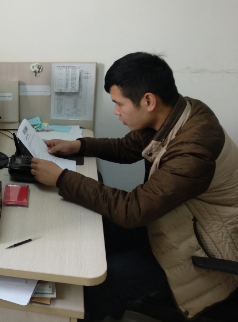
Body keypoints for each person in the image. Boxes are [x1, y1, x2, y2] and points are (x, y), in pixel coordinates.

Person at [30, 52, 238, 321]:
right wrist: (79, 145)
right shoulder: (177, 113)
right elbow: (126, 148)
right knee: (92, 227)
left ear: (148, 101)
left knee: (101, 283)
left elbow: (133, 210)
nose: (116, 111)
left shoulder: (193, 149)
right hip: (172, 220)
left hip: (202, 246)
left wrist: (61, 178)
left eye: (119, 104)